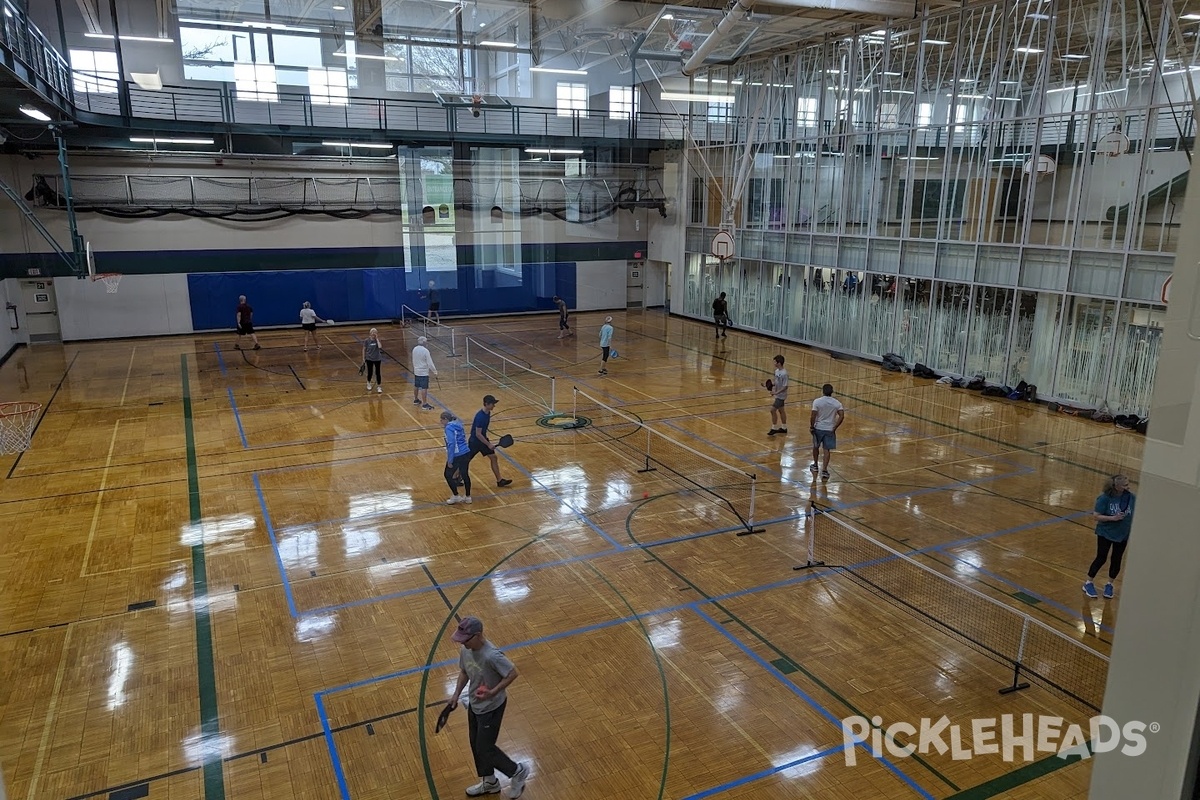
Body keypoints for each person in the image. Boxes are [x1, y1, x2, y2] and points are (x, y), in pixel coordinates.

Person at [444, 616, 529, 798]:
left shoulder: (492, 655)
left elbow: (513, 673)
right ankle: (489, 781)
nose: (462, 643)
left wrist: (494, 691)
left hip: (491, 707)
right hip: (475, 705)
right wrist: (456, 694)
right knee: (476, 744)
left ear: (478, 635)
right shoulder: (466, 650)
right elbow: (464, 671)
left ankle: (518, 771)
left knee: (485, 748)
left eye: (465, 639)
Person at [1084, 475, 1136, 599]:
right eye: (1124, 485)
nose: (1127, 487)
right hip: (1105, 533)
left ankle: (1109, 584)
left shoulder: (1131, 498)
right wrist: (1112, 518)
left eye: (1127, 484)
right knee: (1101, 557)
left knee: (1116, 560)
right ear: (1116, 486)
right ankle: (1088, 582)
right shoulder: (1105, 498)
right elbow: (1096, 516)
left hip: (1122, 534)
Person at [468, 395, 513, 488]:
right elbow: (478, 434)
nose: (494, 406)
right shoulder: (480, 417)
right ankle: (455, 477)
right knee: (465, 460)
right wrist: (488, 444)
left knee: (493, 457)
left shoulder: (487, 413)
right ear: (486, 404)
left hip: (482, 440)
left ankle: (499, 481)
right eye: (493, 404)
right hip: (475, 442)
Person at [809, 383, 845, 480]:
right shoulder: (837, 403)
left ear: (823, 391)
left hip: (818, 428)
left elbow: (813, 415)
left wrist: (812, 426)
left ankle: (815, 465)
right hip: (829, 429)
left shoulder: (817, 402)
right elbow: (841, 415)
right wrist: (835, 427)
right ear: (832, 392)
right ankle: (824, 470)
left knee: (815, 447)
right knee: (826, 450)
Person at [442, 411, 473, 505]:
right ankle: (468, 497)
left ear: (446, 419)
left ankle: (456, 496)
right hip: (466, 452)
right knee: (465, 474)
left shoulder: (449, 428)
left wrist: (450, 460)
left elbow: (451, 444)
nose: (441, 422)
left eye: (442, 420)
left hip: (457, 454)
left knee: (447, 475)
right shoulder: (458, 424)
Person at [412, 335, 437, 410]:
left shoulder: (414, 349)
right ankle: (424, 403)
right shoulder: (425, 351)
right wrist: (434, 371)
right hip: (423, 372)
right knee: (424, 387)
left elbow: (413, 359)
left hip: (416, 371)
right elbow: (430, 362)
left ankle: (416, 399)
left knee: (416, 385)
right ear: (424, 342)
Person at [767, 355, 789, 436]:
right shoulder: (776, 371)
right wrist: (770, 385)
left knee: (772, 410)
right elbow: (776, 382)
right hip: (778, 394)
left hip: (781, 396)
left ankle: (774, 428)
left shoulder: (784, 373)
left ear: (779, 363)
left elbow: (785, 386)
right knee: (781, 410)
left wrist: (776, 393)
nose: (774, 363)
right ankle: (784, 428)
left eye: (775, 362)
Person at [362, 328, 383, 394]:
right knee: (370, 372)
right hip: (369, 359)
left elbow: (380, 347)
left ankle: (379, 386)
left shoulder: (378, 340)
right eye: (373, 332)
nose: (374, 333)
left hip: (377, 358)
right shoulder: (367, 341)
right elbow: (364, 349)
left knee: (378, 373)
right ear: (370, 333)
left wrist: (377, 339)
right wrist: (363, 358)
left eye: (375, 332)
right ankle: (368, 382)